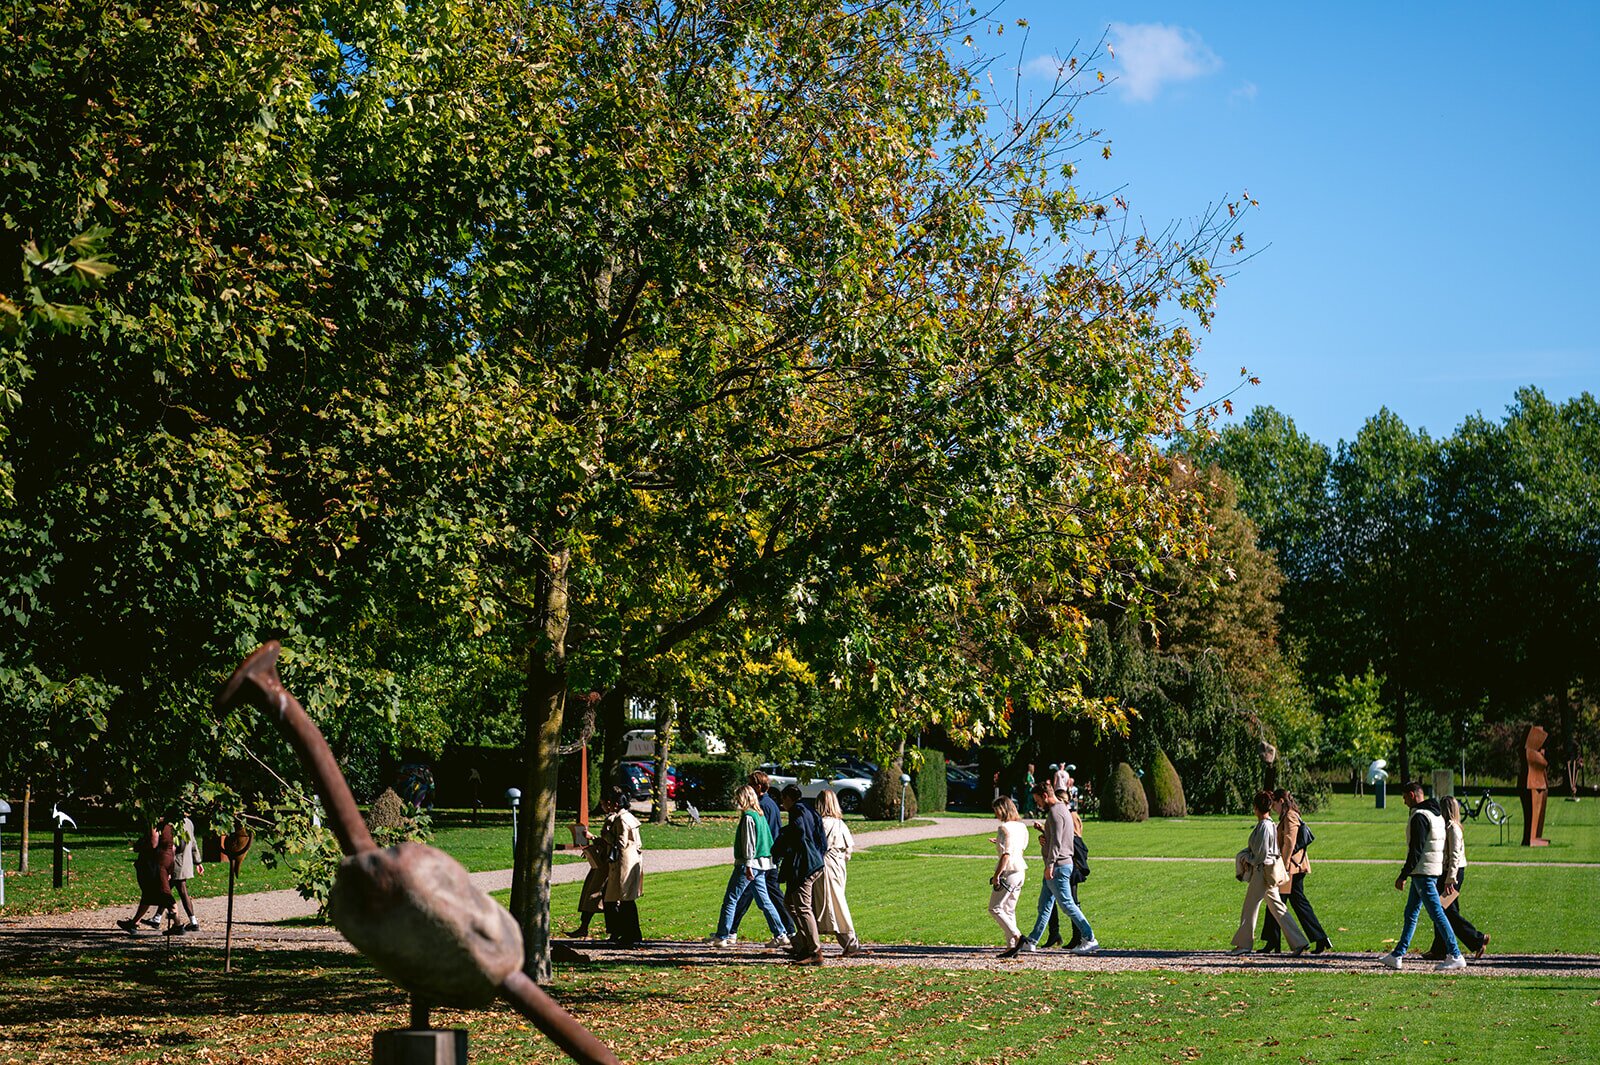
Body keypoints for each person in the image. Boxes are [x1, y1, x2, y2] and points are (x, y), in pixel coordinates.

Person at [999, 783, 1097, 957]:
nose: (1037, 804)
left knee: (1067, 904)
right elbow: (1058, 837)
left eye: (1037, 800)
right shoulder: (1061, 810)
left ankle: (1089, 938)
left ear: (1044, 795)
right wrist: (1045, 835)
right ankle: (1033, 941)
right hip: (1057, 864)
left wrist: (1050, 864)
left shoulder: (1055, 812)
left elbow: (1058, 842)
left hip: (1058, 866)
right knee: (1044, 904)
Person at [1379, 781, 1466, 971]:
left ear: (1412, 794)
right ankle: (1398, 954)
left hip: (1423, 872)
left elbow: (1416, 850)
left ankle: (1455, 954)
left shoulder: (1419, 816)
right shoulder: (1436, 814)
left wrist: (1403, 875)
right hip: (1430, 870)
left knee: (1437, 913)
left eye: (1404, 797)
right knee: (1411, 912)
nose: (1403, 802)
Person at [1229, 789, 1307, 956]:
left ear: (1256, 807)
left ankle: (1244, 944)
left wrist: (1247, 858)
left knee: (1250, 908)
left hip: (1262, 872)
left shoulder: (1264, 826)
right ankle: (1299, 941)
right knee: (1278, 907)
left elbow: (1262, 854)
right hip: (1267, 871)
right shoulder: (1270, 824)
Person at [709, 785, 789, 947]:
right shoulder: (760, 816)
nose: (736, 801)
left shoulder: (748, 817)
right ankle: (780, 933)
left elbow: (748, 845)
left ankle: (722, 935)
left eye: (738, 797)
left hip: (749, 865)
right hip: (762, 864)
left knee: (731, 899)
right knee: (764, 901)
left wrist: (747, 865)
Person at [1260, 789, 1331, 954]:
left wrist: (1282, 867)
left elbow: (1290, 842)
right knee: (1285, 903)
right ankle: (1319, 938)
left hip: (1292, 868)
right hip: (1292, 866)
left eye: (1275, 803)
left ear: (1281, 801)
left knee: (1277, 902)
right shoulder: (1289, 815)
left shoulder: (1290, 815)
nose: (1274, 807)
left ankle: (1274, 941)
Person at [731, 770, 794, 942]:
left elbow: (760, 834)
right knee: (759, 895)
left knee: (752, 895)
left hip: (764, 857)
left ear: (758, 786)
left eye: (751, 784)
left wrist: (754, 858)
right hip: (768, 856)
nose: (749, 787)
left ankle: (787, 930)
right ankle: (785, 930)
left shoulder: (761, 807)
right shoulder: (770, 804)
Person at [1424, 795, 1489, 960]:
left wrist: (1450, 880)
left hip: (1453, 872)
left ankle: (1477, 940)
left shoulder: (1453, 828)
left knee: (1445, 911)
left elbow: (1454, 856)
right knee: (1446, 910)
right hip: (1448, 872)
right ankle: (1440, 948)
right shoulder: (1448, 826)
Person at [773, 784, 828, 965]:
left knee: (803, 908)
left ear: (789, 798)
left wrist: (782, 839)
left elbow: (798, 832)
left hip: (805, 866)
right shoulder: (808, 808)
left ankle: (814, 950)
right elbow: (820, 837)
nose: (782, 804)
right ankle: (802, 944)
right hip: (813, 862)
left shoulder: (797, 810)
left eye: (783, 799)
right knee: (790, 902)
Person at [813, 789, 865, 956]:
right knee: (834, 902)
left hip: (824, 865)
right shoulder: (840, 824)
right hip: (838, 865)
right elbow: (849, 850)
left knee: (830, 904)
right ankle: (848, 942)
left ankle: (850, 942)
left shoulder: (820, 823)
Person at [600, 787, 644, 947]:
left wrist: (605, 834)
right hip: (631, 860)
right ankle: (630, 934)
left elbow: (620, 842)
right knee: (625, 899)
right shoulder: (628, 817)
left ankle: (629, 934)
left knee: (623, 898)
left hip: (624, 862)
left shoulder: (621, 819)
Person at [117, 821, 178, 935]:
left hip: (159, 861)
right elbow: (173, 846)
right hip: (167, 859)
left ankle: (177, 924)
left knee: (165, 892)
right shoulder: (171, 824)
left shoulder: (155, 823)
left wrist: (138, 846)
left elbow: (153, 843)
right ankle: (134, 923)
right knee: (149, 892)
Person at [987, 797, 1029, 948]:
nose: (995, 815)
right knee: (1009, 909)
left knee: (995, 908)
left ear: (1002, 810)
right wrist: (998, 842)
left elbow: (1006, 854)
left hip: (1009, 872)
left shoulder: (1004, 828)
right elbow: (1020, 847)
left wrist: (997, 875)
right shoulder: (1022, 827)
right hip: (1021, 871)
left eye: (996, 811)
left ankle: (1017, 935)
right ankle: (1011, 946)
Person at [563, 814, 610, 939]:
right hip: (601, 862)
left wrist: (593, 838)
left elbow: (611, 843)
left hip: (607, 865)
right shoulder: (613, 819)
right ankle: (584, 927)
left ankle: (587, 928)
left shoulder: (616, 820)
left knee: (597, 896)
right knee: (591, 895)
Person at [170, 812, 203, 932]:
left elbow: (181, 844)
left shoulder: (176, 824)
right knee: (169, 889)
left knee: (173, 890)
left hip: (178, 861)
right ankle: (157, 918)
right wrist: (197, 861)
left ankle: (191, 922)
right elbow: (193, 843)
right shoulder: (189, 822)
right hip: (186, 861)